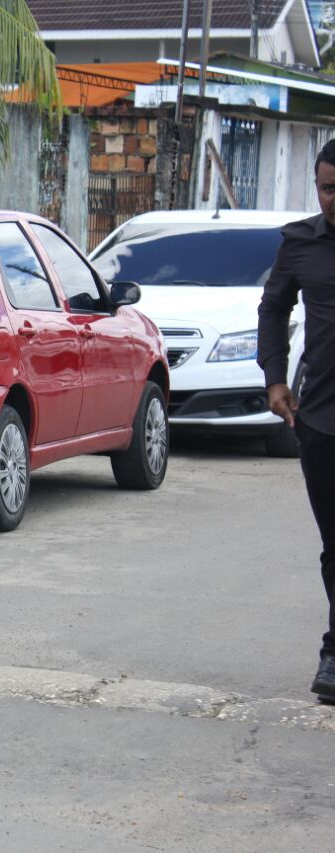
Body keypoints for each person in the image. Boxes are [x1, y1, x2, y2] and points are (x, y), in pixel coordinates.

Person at [257, 138, 335, 703]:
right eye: (328, 189)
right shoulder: (301, 242)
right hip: (323, 419)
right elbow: (274, 305)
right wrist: (275, 377)